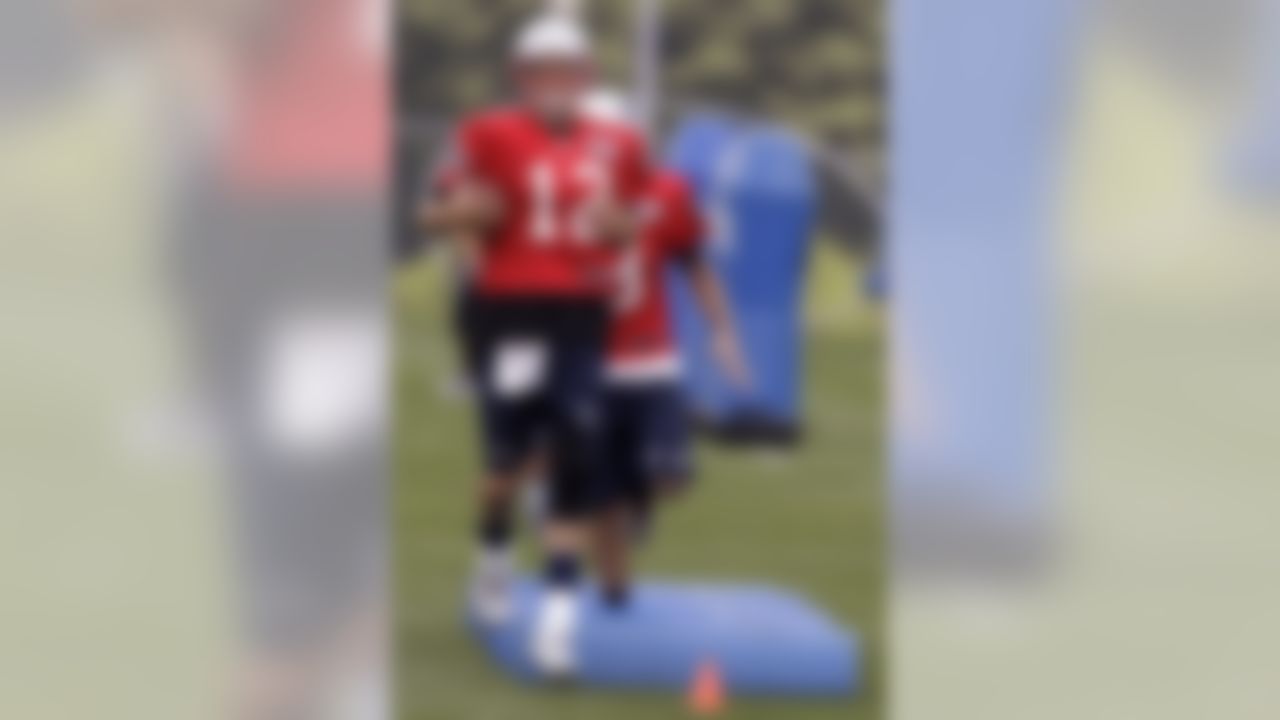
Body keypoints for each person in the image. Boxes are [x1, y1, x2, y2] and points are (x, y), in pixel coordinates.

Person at [417, 13, 651, 677]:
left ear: (588, 77)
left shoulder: (620, 142)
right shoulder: (487, 133)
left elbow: (629, 226)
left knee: (580, 439)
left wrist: (619, 228)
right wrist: (467, 215)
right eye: (542, 70)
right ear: (521, 77)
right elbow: (430, 213)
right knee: (505, 464)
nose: (556, 81)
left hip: (581, 308)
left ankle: (557, 620)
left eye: (568, 70)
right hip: (509, 309)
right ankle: (492, 556)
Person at [578, 91, 750, 610]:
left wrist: (722, 331)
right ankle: (614, 587)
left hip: (651, 359)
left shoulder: (668, 191)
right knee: (600, 500)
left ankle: (637, 497)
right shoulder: (562, 196)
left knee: (670, 478)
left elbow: (694, 264)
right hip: (587, 364)